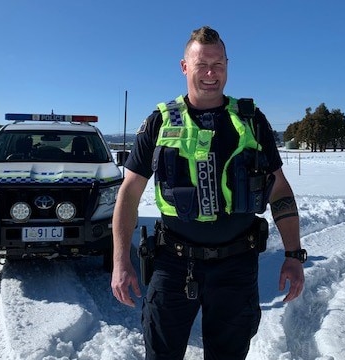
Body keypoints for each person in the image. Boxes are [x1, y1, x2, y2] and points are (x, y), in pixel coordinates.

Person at [111, 25, 305, 360]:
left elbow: (280, 189)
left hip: (236, 265)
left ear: (228, 65)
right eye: (202, 65)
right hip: (172, 264)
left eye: (219, 64)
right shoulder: (159, 122)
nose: (211, 73)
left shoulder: (251, 120)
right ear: (185, 67)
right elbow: (129, 192)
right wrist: (120, 260)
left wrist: (293, 255)